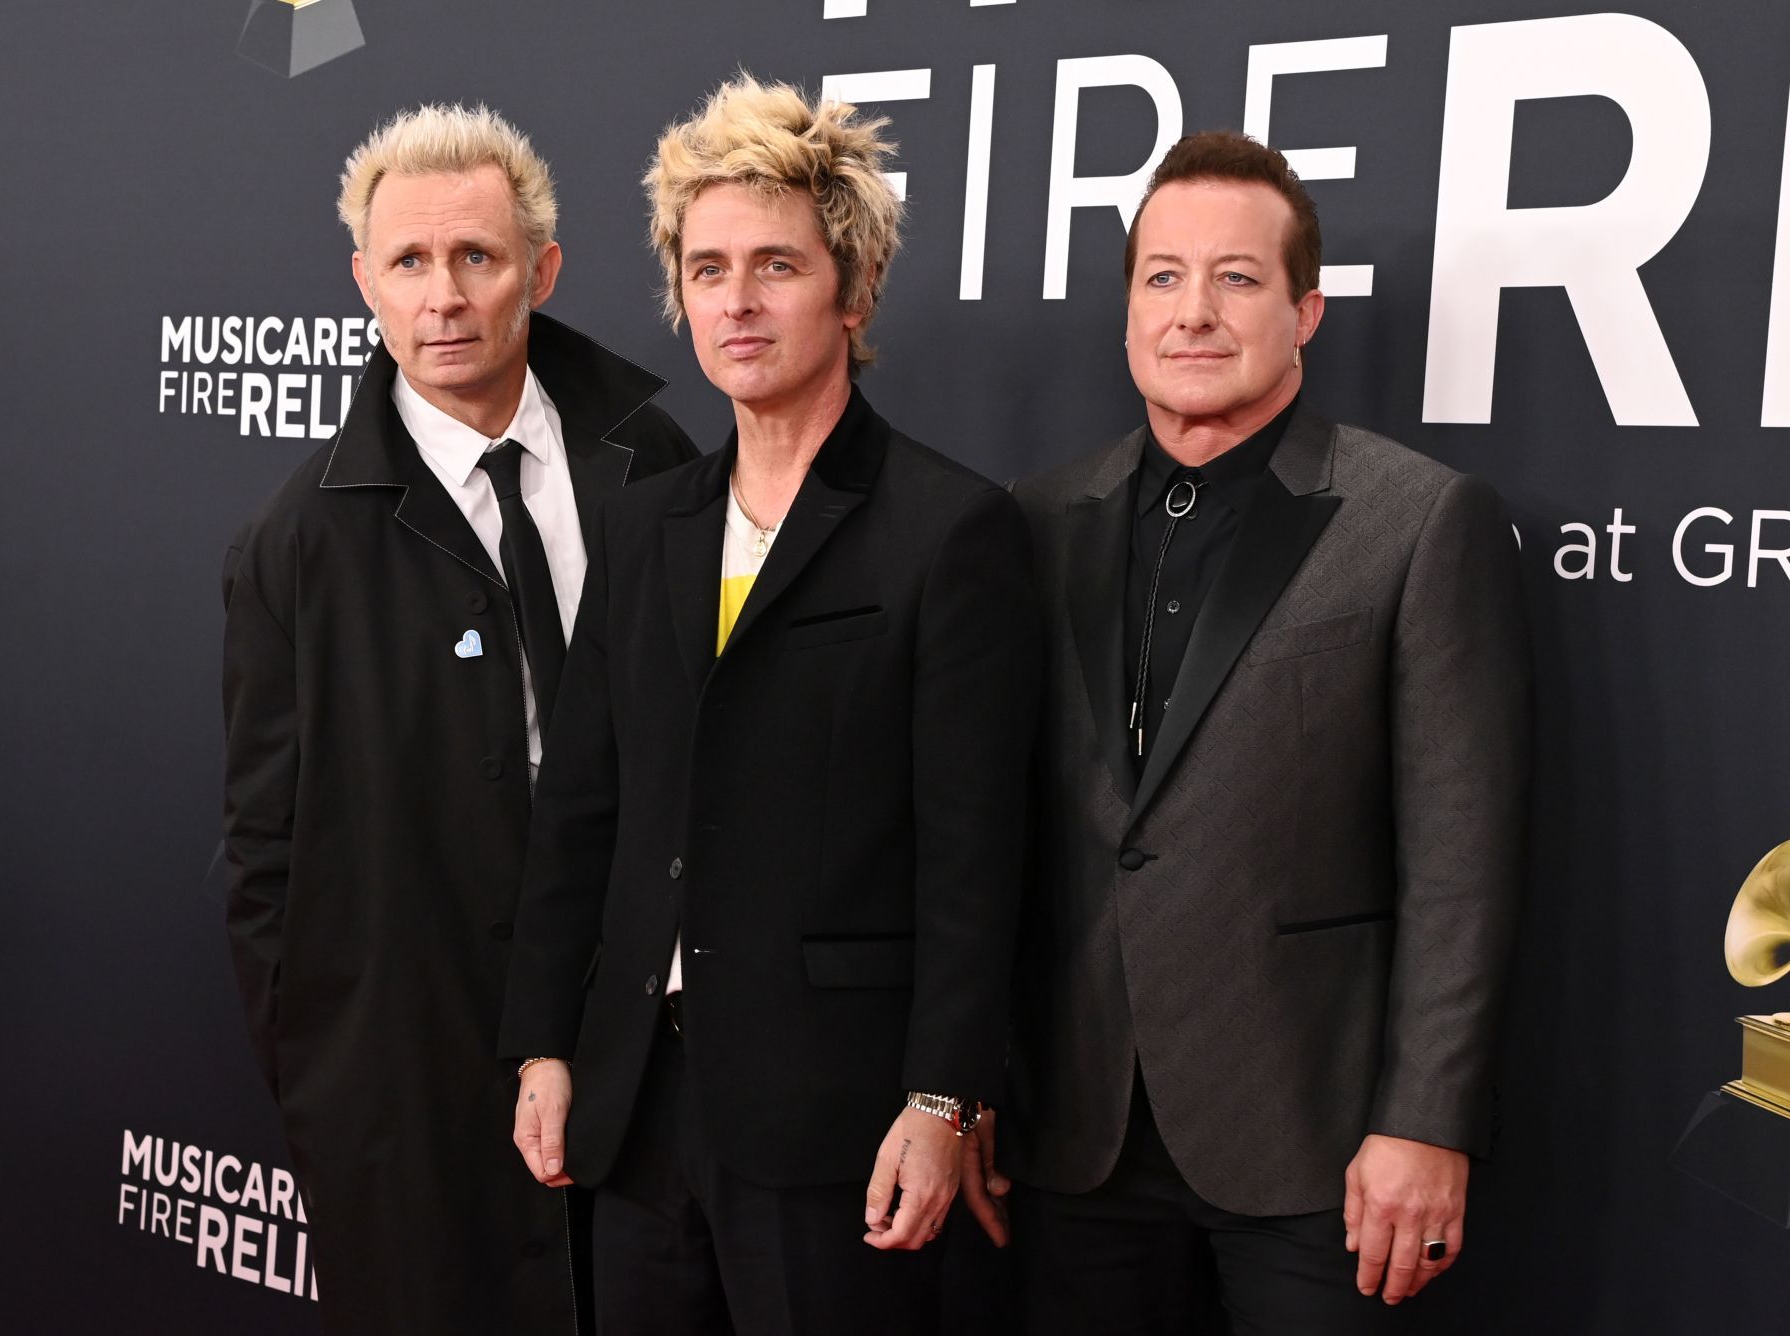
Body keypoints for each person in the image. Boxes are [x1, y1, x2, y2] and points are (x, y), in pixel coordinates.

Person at [498, 76, 1041, 1335]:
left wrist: (944, 1097)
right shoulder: (646, 525)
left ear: (852, 290)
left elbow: (975, 857)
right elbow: (581, 809)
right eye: (708, 269)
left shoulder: (949, 529)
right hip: (637, 1108)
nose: (737, 301)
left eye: (776, 266)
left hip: (836, 1122)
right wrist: (543, 1042)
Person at [998, 130, 1530, 1334]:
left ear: (1306, 311)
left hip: (1318, 1142)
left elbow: (1465, 862)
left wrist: (1427, 1119)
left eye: (1236, 278)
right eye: (1164, 277)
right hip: (1074, 1133)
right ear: (1129, 311)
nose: (1194, 311)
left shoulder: (1417, 519)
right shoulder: (1035, 518)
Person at [220, 102, 696, 1334]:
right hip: (409, 1097)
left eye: (477, 257)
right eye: (410, 262)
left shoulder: (651, 458)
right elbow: (265, 854)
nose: (443, 297)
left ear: (542, 270)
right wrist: (328, 1091)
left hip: (646, 1058)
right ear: (364, 284)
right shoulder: (295, 544)